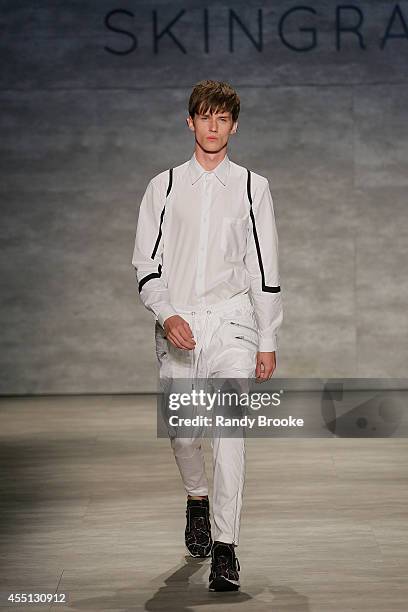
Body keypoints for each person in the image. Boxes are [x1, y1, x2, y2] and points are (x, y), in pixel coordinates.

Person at [131, 79, 283, 592]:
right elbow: (145, 263)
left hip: (233, 323)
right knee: (184, 434)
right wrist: (167, 311)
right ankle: (197, 496)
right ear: (190, 122)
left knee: (231, 435)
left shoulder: (251, 186)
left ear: (234, 126)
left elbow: (265, 266)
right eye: (205, 117)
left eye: (223, 119)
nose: (213, 126)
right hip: (179, 326)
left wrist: (267, 337)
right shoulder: (165, 186)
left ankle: (226, 548)